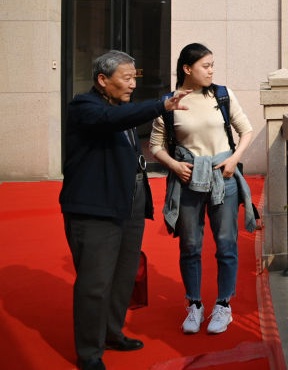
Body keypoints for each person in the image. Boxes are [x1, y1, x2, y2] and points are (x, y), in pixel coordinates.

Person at [61, 50, 191, 370]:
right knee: (95, 283)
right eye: (127, 78)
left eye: (135, 77)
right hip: (95, 207)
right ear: (102, 80)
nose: (133, 84)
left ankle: (111, 333)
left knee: (124, 275)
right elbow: (110, 121)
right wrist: (161, 104)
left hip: (130, 202)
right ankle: (89, 353)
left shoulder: (123, 108)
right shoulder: (84, 106)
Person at [151, 43, 256, 336]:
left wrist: (234, 159)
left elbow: (246, 130)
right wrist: (174, 165)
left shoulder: (222, 95)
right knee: (190, 245)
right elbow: (156, 146)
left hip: (224, 176)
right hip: (187, 180)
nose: (211, 71)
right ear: (187, 69)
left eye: (212, 65)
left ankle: (223, 305)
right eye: (205, 66)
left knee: (226, 243)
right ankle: (194, 304)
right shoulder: (169, 102)